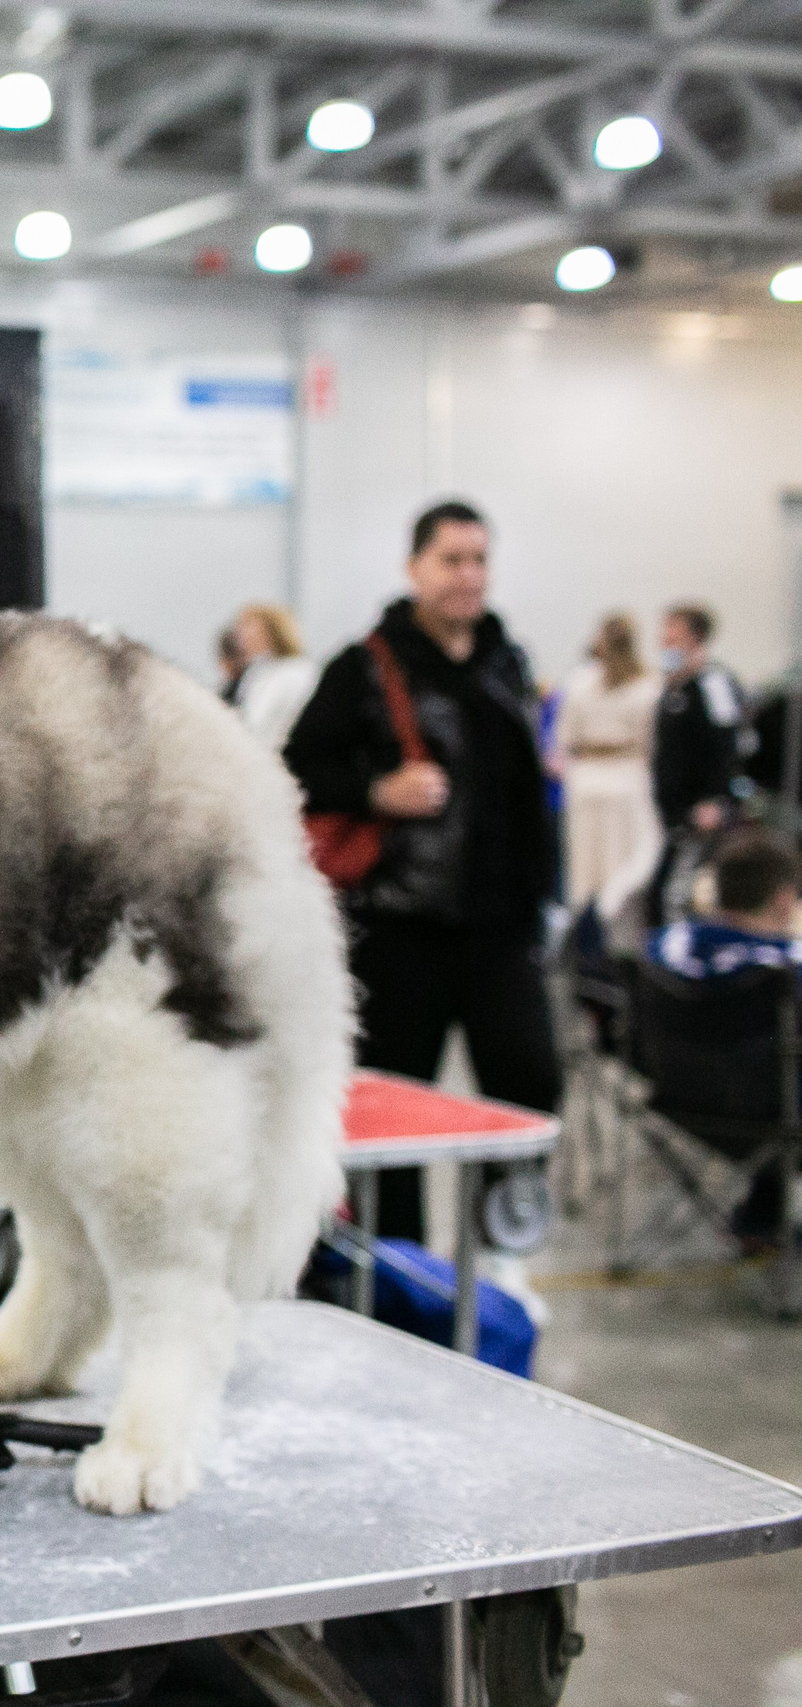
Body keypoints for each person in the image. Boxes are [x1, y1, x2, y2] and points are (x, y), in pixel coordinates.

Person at [285, 499, 561, 1241]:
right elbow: (296, 773)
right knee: (396, 1111)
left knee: (531, 1084)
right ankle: (400, 1267)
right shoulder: (365, 667)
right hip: (402, 926)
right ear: (415, 569)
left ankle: (500, 1243)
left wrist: (546, 897)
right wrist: (377, 789)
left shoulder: (509, 660)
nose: (468, 576)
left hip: (502, 923)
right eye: (451, 560)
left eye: (479, 560)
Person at [649, 825, 802, 1251]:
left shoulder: (665, 947)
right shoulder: (783, 970)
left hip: (679, 1101)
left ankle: (760, 1216)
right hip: (774, 1117)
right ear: (784, 899)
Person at [553, 612, 665, 913]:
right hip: (629, 778)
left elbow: (564, 737)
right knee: (626, 866)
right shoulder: (651, 687)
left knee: (583, 867)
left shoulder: (578, 681)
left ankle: (586, 931)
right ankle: (615, 938)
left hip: (586, 779)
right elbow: (652, 743)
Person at [654, 603, 745, 837]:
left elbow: (727, 742)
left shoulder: (714, 683)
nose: (665, 637)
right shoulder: (672, 687)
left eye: (673, 629)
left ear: (694, 637)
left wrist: (715, 798)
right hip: (673, 805)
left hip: (703, 807)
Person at [228, 602, 317, 751]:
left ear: (272, 628)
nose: (240, 635)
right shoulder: (256, 672)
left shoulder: (298, 671)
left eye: (247, 625)